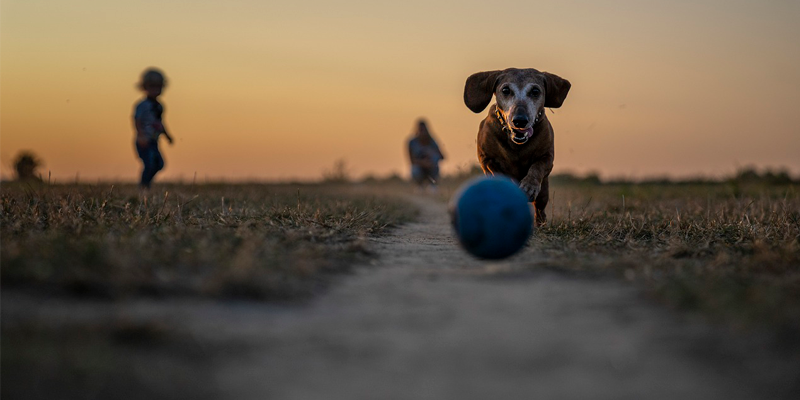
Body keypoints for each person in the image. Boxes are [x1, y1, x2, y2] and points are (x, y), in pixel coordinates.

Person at [133, 68, 174, 189]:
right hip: (144, 141)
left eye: (158, 87)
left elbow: (160, 123)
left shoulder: (159, 106)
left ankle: (147, 184)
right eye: (152, 86)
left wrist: (167, 136)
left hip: (154, 141)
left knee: (159, 164)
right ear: (144, 87)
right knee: (149, 163)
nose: (155, 90)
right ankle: (143, 185)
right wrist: (141, 135)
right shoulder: (142, 105)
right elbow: (137, 121)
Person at [407, 119, 445, 192]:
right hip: (419, 168)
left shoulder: (432, 142)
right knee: (415, 169)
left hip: (431, 168)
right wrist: (423, 163)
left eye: (424, 130)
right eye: (421, 130)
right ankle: (419, 185)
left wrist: (432, 156)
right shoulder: (412, 142)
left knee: (435, 160)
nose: (422, 133)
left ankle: (433, 185)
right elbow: (411, 160)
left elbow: (442, 157)